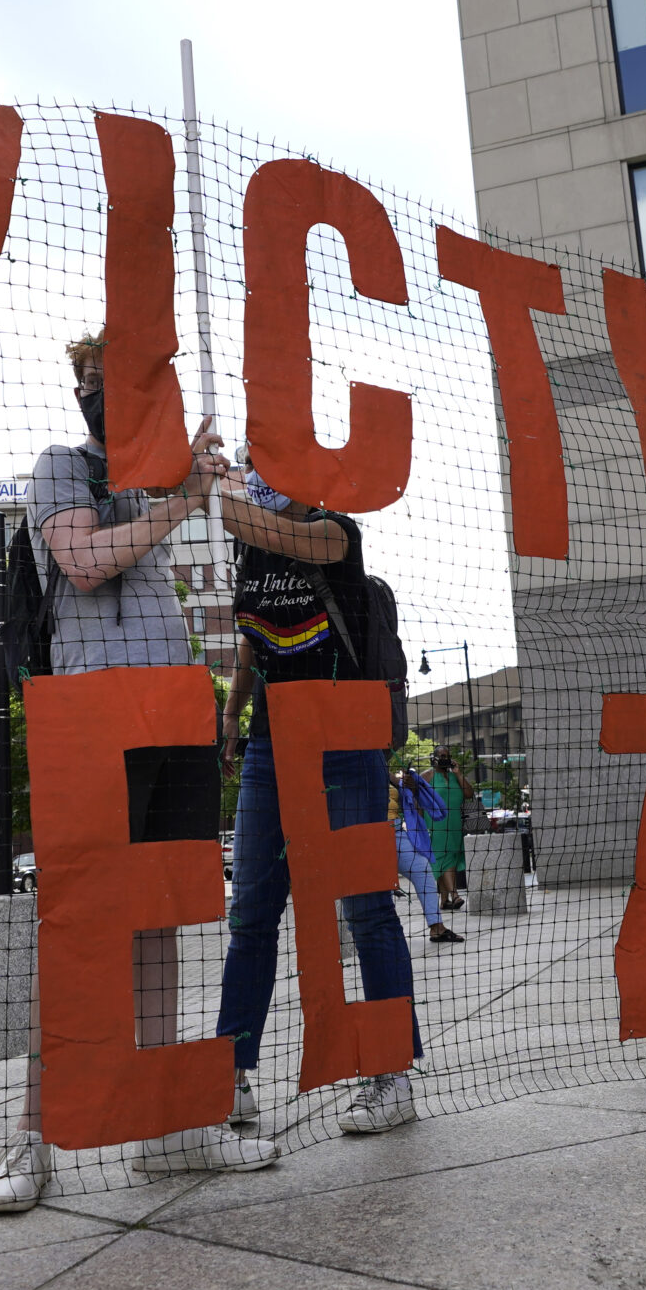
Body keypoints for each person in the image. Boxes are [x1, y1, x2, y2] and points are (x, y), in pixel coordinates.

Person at [0, 334, 275, 1215]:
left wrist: (212, 484)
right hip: (91, 718)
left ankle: (168, 1128)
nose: (127, 397)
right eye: (109, 382)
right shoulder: (62, 466)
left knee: (161, 923)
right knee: (80, 930)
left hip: (169, 713)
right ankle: (32, 1137)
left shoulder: (162, 476)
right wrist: (181, 502)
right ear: (84, 388)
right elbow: (83, 560)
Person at [214, 466, 423, 1136]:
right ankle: (231, 1077)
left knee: (365, 906)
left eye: (273, 464)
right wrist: (231, 717)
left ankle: (390, 1074)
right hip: (273, 744)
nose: (261, 476)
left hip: (345, 736)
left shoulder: (338, 532)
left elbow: (256, 523)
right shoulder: (253, 550)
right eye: (255, 465)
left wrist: (212, 490)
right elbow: (252, 650)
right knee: (250, 910)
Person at [393, 765, 463, 944]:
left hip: (395, 831)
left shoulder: (384, 770)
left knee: (423, 870)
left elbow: (407, 796)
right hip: (369, 834)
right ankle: (388, 934)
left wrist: (411, 785)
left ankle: (437, 927)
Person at [429, 749, 475, 910]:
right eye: (441, 756)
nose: (445, 758)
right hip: (436, 824)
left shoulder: (455, 776)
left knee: (449, 858)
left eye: (447, 756)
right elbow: (416, 798)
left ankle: (444, 900)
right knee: (445, 857)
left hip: (455, 824)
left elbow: (469, 794)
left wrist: (458, 773)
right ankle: (454, 895)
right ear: (434, 758)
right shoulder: (427, 776)